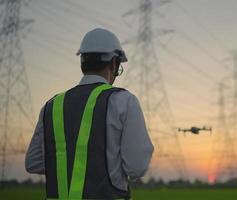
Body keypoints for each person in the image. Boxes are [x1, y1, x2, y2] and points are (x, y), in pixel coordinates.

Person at [25, 28, 154, 200]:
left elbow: (33, 164)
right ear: (114, 64)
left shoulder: (51, 105)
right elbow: (137, 167)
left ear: (82, 63)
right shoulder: (123, 101)